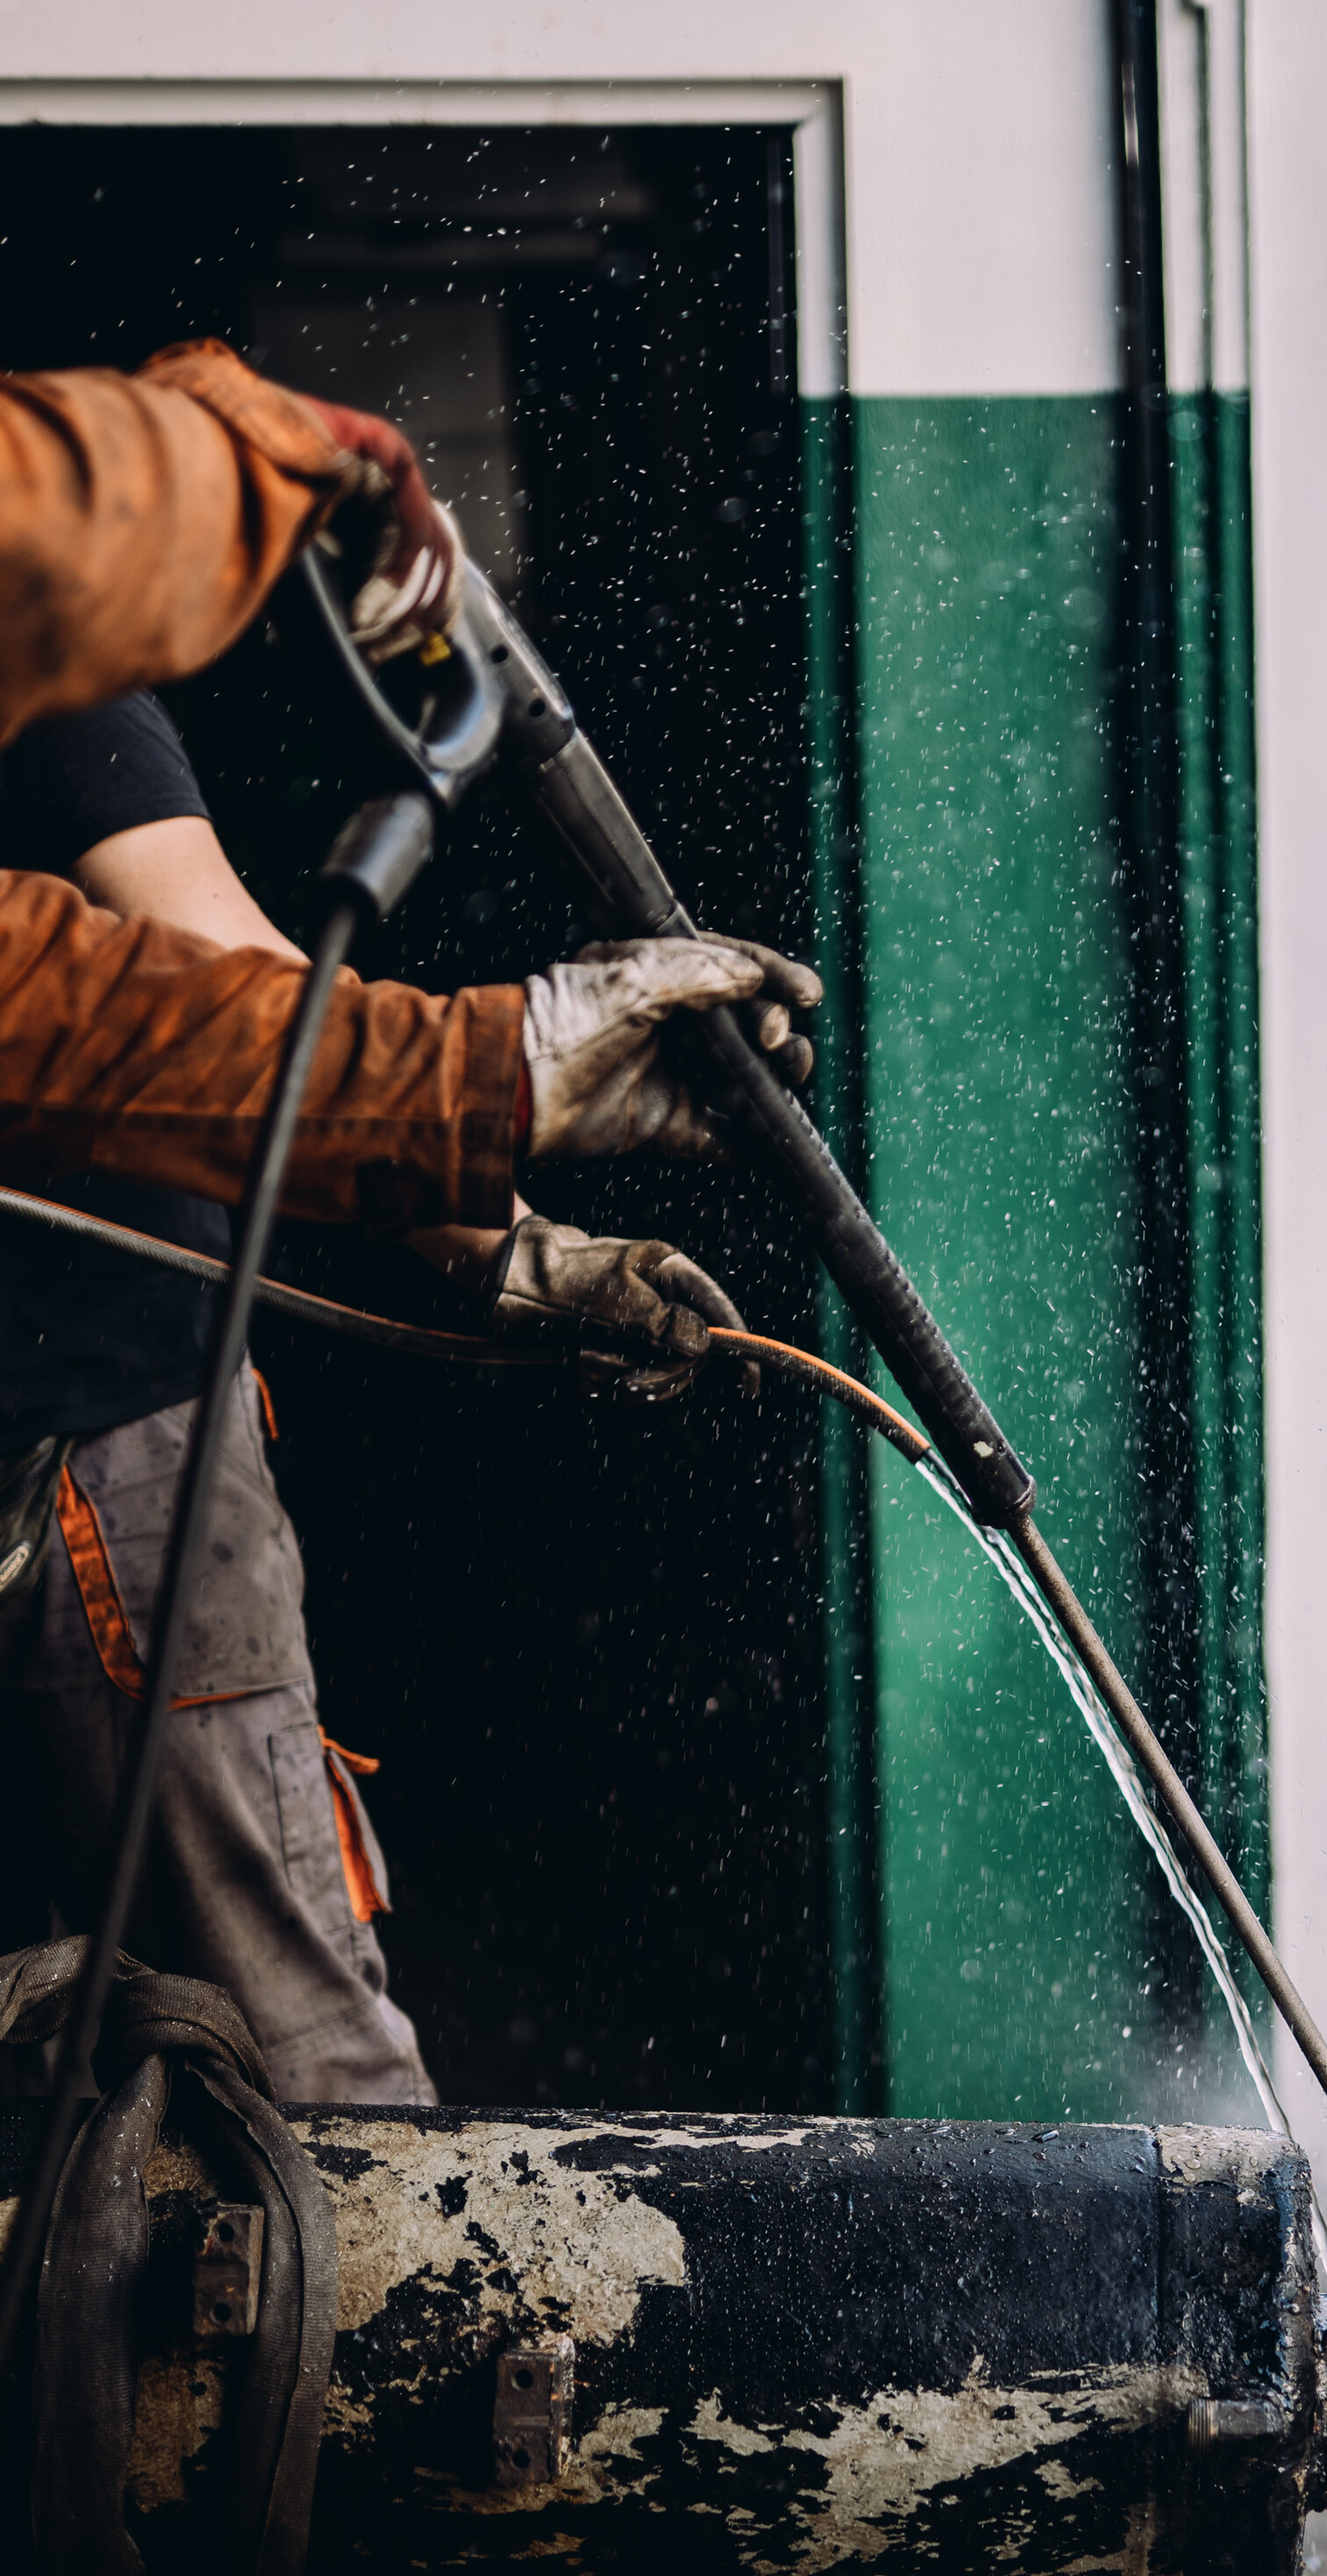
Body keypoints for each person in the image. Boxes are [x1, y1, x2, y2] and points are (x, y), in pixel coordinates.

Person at [0, 340, 821, 2093]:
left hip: (88, 1437)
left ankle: (364, 2327)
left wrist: (505, 1246)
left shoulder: (41, 665)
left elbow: (199, 968)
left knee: (301, 2055)